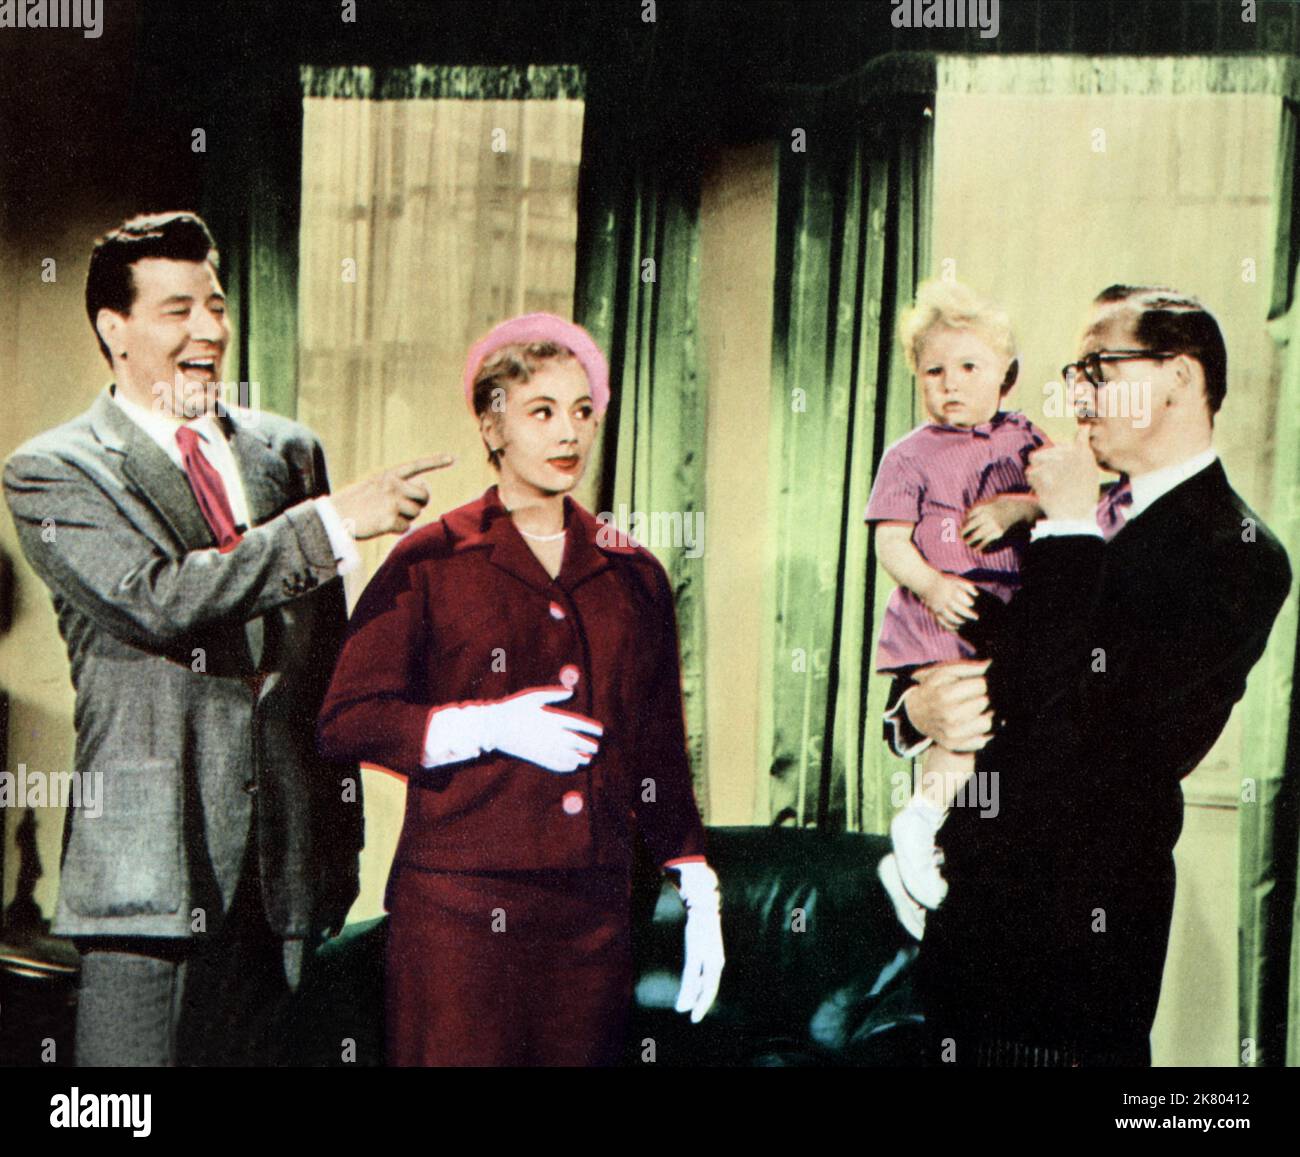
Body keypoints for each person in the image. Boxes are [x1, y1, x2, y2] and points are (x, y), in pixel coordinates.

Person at [2, 211, 451, 1066]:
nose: (210, 329)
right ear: (114, 328)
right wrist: (328, 524)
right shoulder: (55, 468)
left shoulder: (290, 453)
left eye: (216, 304)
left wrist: (339, 838)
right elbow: (158, 597)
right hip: (149, 876)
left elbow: (323, 665)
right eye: (178, 309)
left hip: (284, 876)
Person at [889, 285, 1292, 1066]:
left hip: (1067, 975)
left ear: (1179, 377)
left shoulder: (1237, 552)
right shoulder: (1050, 515)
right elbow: (951, 631)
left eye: (1098, 369)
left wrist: (1071, 530)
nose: (1074, 394)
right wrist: (915, 711)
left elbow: (1092, 735)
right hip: (959, 956)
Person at [316, 312, 724, 1067]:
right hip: (459, 921)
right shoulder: (433, 559)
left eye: (581, 412)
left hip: (592, 916)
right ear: (492, 426)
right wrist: (481, 726)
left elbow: (659, 748)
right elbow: (347, 719)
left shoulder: (633, 572)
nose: (568, 432)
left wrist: (696, 881)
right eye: (542, 412)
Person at [866, 281, 1046, 937]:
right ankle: (919, 823)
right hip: (942, 609)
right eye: (934, 371)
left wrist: (1018, 506)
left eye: (969, 367)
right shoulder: (911, 453)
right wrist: (932, 585)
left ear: (1007, 374)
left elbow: (1057, 502)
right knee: (959, 728)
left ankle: (926, 849)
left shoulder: (1027, 441)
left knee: (988, 733)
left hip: (1006, 612)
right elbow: (889, 537)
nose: (950, 384)